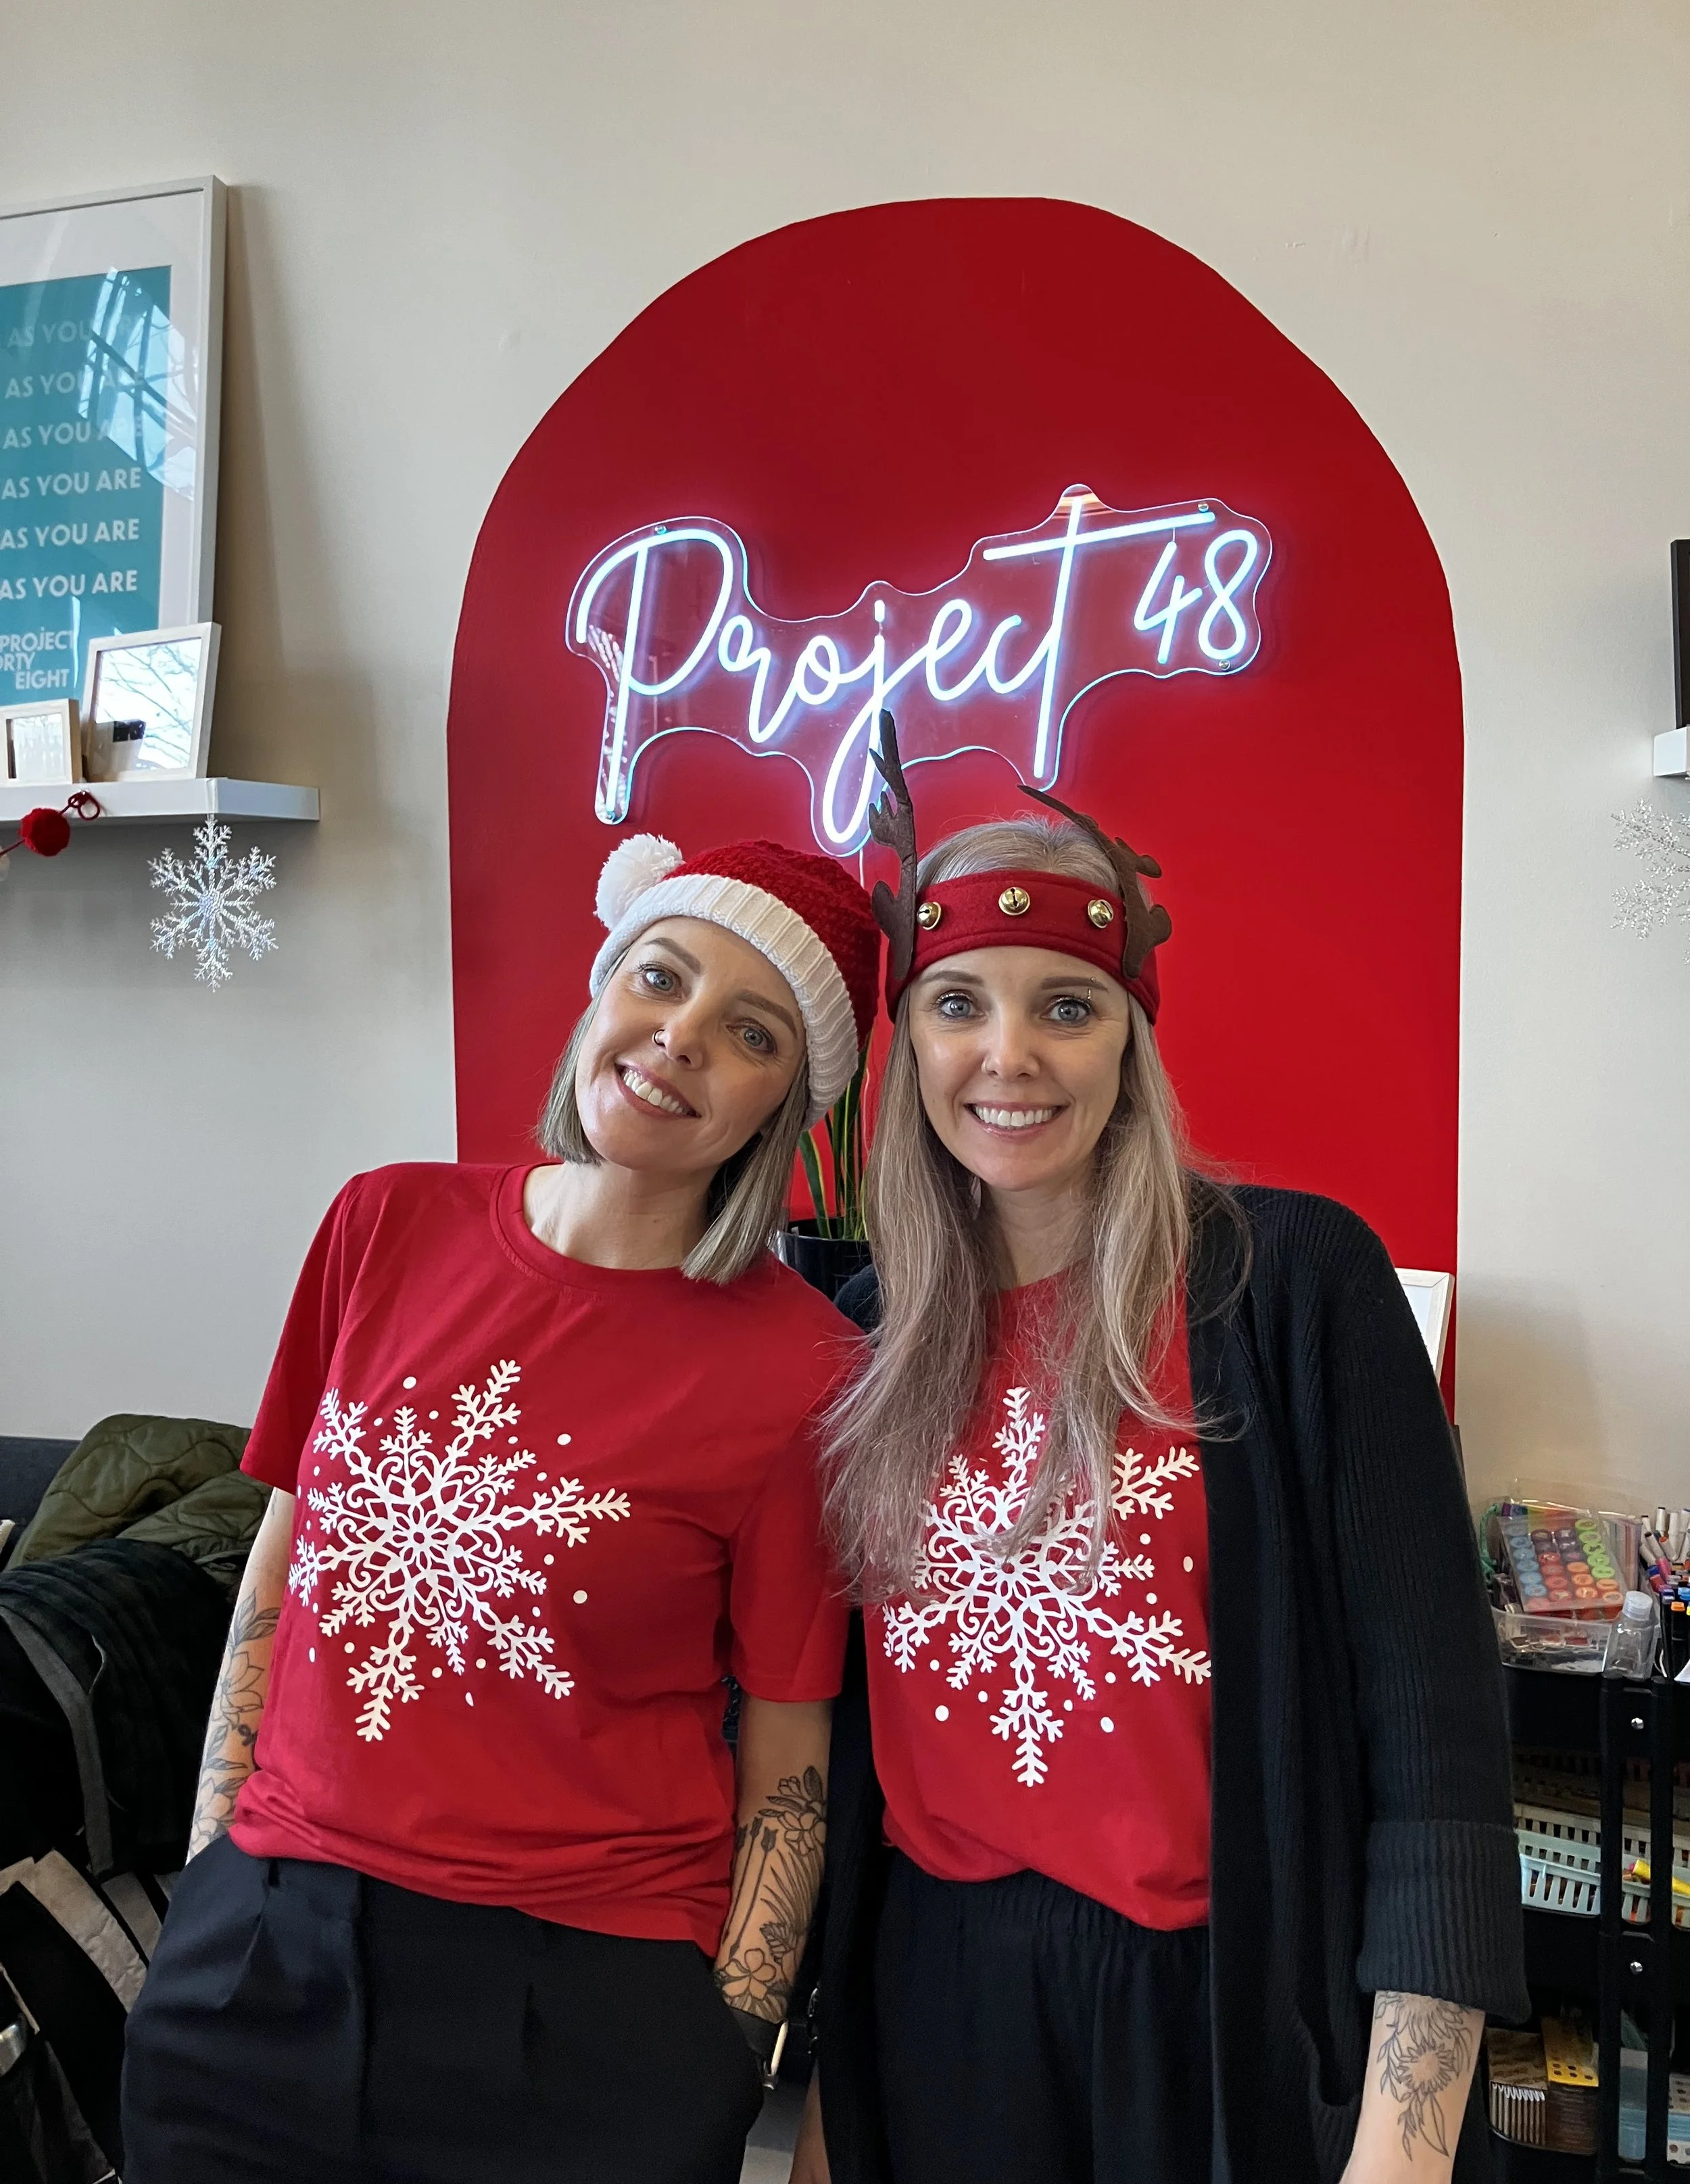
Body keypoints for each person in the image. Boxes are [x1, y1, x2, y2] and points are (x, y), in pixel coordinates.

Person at [792, 728, 1526, 2184]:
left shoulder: (1292, 1288)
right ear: (907, 1040)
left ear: (1128, 1036)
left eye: (1064, 1006)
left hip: (1223, 2015)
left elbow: (1434, 1752)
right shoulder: (860, 1334)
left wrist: (1402, 2146)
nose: (1007, 1057)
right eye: (956, 1006)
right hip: (937, 2013)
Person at [122, 833, 881, 2184]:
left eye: (749, 1029)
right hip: (262, 1958)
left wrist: (731, 2043)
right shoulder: (381, 1225)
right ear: (600, 989)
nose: (680, 1036)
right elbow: (277, 1574)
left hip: (582, 2017)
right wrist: (212, 1878)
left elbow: (788, 1750)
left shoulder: (805, 1371)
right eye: (659, 976)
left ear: (786, 1101)